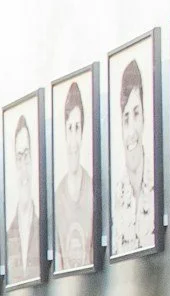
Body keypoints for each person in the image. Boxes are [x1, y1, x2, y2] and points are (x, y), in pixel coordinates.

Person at [115, 56, 154, 255]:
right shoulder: (116, 195)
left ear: (145, 116)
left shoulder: (162, 184)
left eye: (136, 114)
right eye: (126, 118)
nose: (131, 130)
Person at [55, 80, 96, 272]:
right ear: (64, 131)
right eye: (69, 128)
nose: (73, 140)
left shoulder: (92, 189)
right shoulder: (57, 198)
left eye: (77, 127)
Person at [5, 109, 43, 285]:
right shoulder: (8, 236)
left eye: (27, 156)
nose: (24, 166)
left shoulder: (43, 227)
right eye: (19, 158)